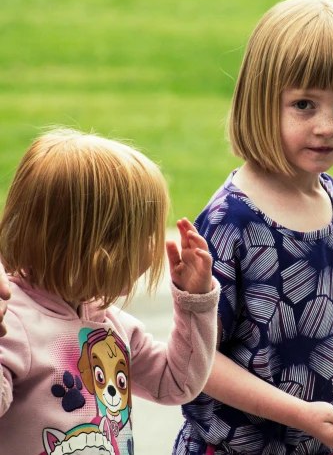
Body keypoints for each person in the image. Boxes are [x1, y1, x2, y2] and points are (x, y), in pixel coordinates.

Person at [174, 0, 333, 455]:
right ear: (259, 101)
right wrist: (301, 415)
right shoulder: (231, 222)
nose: (327, 127)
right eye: (305, 104)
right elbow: (199, 360)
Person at [0, 128, 220, 455]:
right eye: (143, 235)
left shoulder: (111, 324)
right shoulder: (14, 323)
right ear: (97, 246)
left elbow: (177, 383)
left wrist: (195, 303)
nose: (154, 249)